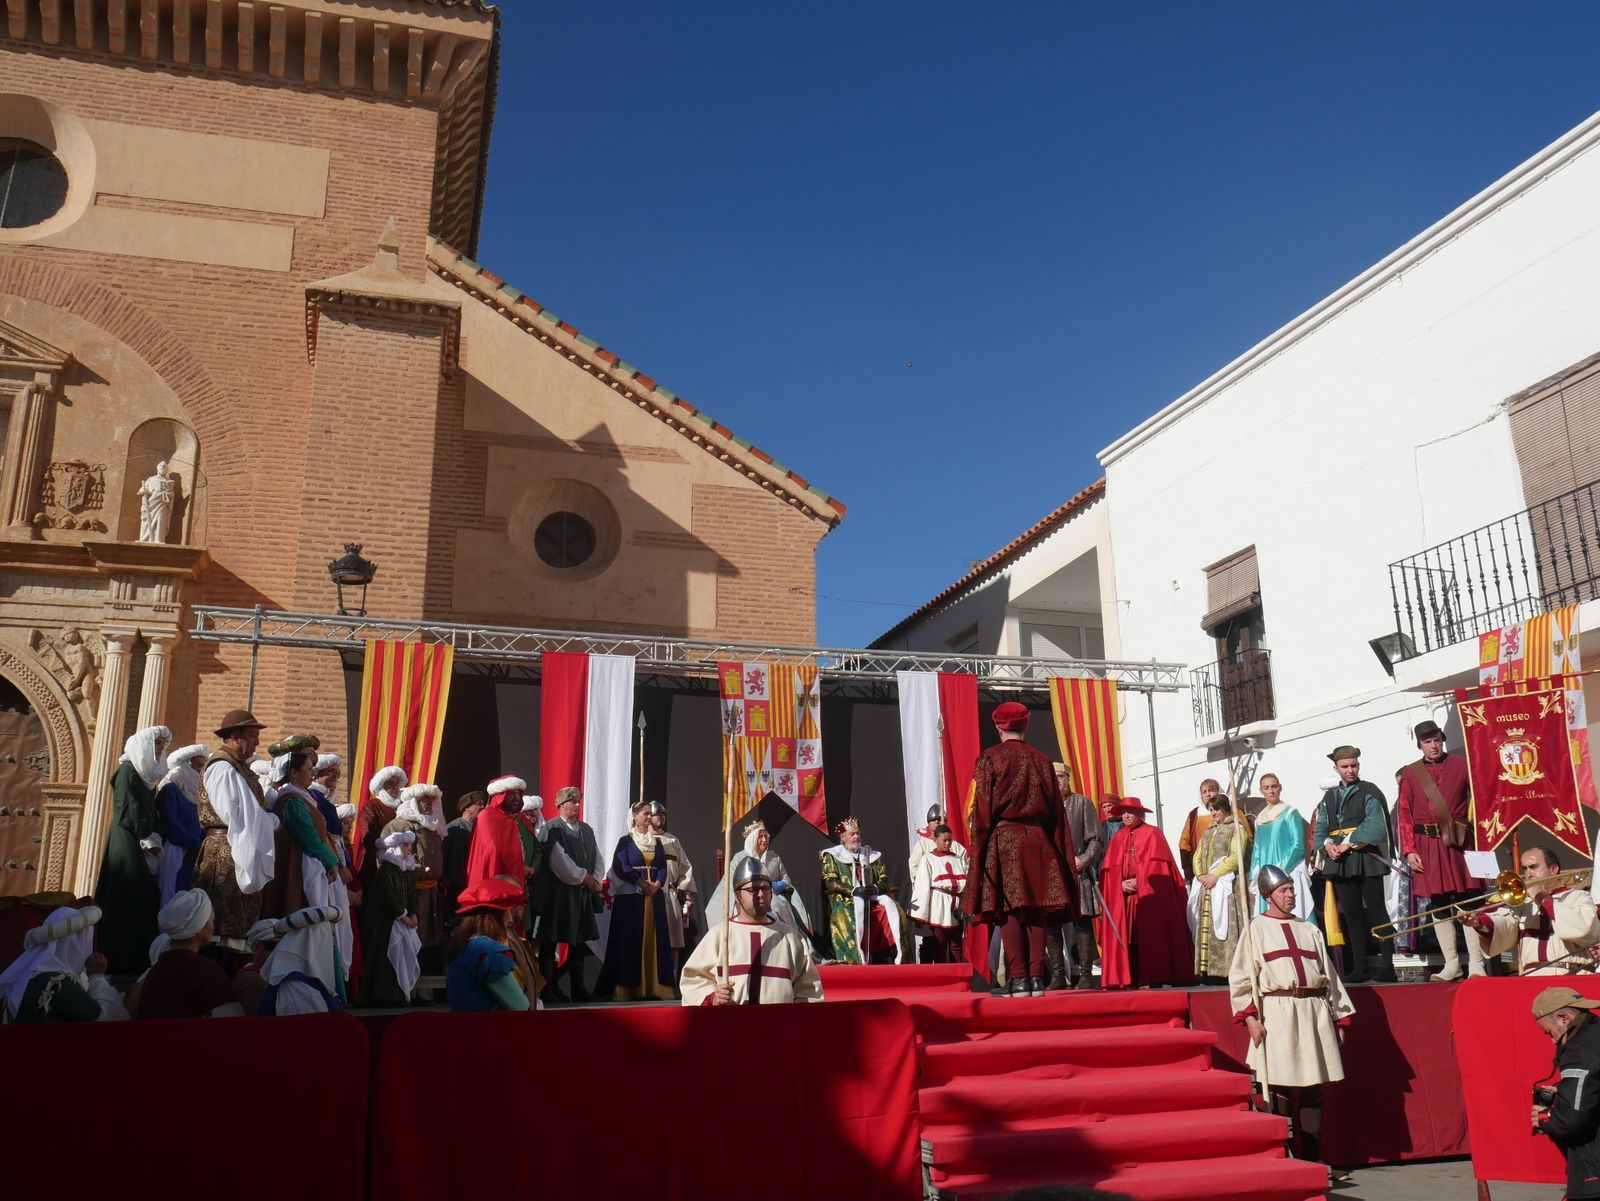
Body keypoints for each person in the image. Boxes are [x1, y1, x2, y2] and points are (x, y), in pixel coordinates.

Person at [1229, 864, 1355, 1168]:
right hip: (1278, 1013)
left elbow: (1329, 976)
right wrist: (1249, 1019)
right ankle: (1285, 1160)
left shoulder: (1309, 928)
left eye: (1291, 889)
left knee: (1313, 1086)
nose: (1291, 895)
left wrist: (1339, 1017)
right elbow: (1242, 978)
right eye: (1284, 890)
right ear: (1267, 896)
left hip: (1313, 1012)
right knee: (1282, 1085)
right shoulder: (1255, 929)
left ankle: (1313, 1160)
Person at [961, 701, 1077, 997]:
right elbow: (1055, 810)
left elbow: (984, 809)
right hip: (1039, 840)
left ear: (998, 727)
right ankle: (1037, 979)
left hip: (1005, 839)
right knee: (1036, 909)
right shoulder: (1042, 760)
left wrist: (980, 845)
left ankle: (1019, 979)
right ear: (1026, 725)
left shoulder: (990, 759)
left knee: (1009, 910)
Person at [1397, 720, 1485, 981]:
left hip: (1459, 843)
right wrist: (1409, 849)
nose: (1433, 745)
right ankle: (1452, 965)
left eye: (1436, 739)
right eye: (1427, 741)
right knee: (1438, 903)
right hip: (1427, 845)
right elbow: (1404, 812)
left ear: (1442, 740)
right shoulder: (1411, 774)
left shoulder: (1462, 765)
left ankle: (1477, 965)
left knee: (1468, 900)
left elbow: (1481, 802)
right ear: (1420, 745)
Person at [680, 856, 824, 1005]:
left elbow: (809, 990)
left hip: (778, 1026)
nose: (761, 894)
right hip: (733, 1025)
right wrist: (713, 997)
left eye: (765, 888)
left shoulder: (789, 937)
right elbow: (693, 981)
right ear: (737, 896)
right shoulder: (720, 935)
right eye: (753, 889)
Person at [195, 709, 278, 956]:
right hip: (225, 853)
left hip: (235, 848)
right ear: (234, 736)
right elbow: (238, 814)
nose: (257, 742)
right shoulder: (223, 768)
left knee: (237, 925)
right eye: (252, 735)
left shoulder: (238, 767)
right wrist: (271, 821)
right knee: (220, 927)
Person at [269, 748, 350, 999]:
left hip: (309, 869)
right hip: (298, 872)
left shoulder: (302, 797)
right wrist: (331, 861)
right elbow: (307, 834)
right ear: (293, 773)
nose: (311, 773)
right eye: (307, 768)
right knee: (305, 922)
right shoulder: (291, 800)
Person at [1311, 745, 1394, 983]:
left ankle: (1387, 966)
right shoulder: (1329, 796)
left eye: (1354, 765)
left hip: (1364, 856)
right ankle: (1359, 967)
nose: (1350, 770)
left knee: (1378, 911)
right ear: (1335, 768)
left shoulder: (1369, 790)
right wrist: (1327, 846)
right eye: (1345, 766)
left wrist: (1347, 844)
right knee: (1351, 914)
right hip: (1339, 860)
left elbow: (1375, 824)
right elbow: (1321, 826)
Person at [96, 724, 171, 975]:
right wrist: (147, 836)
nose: (160, 749)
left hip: (141, 840)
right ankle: (117, 959)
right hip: (127, 841)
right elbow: (128, 812)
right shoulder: (127, 771)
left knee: (140, 898)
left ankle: (134, 957)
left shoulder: (146, 777)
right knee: (125, 896)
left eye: (163, 744)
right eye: (157, 744)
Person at [1098, 798, 1193, 989]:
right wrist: (1120, 884)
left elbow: (1160, 871)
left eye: (1130, 811)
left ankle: (1153, 975)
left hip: (1149, 896)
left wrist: (1141, 881)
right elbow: (1109, 871)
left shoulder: (1153, 834)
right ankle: (1129, 976)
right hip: (1125, 897)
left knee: (1150, 933)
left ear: (1140, 814)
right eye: (1123, 812)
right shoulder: (1117, 838)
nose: (1125, 815)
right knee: (1128, 935)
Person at [1462, 847, 1599, 975]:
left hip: (1572, 974)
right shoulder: (1524, 903)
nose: (1528, 874)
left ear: (1553, 869)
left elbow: (1584, 928)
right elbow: (1503, 921)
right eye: (1525, 869)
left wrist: (1542, 899)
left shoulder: (1577, 896)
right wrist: (1478, 922)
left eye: (1534, 867)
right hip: (1532, 977)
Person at [531, 786, 604, 1003]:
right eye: (572, 802)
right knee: (550, 940)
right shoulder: (552, 829)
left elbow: (597, 857)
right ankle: (547, 989)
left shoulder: (586, 829)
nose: (577, 805)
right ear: (561, 805)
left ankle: (578, 989)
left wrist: (595, 879)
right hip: (559, 896)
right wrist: (583, 877)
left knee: (578, 942)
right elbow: (559, 861)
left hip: (582, 894)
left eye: (578, 802)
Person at [600, 800, 676, 1000]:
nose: (649, 817)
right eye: (645, 814)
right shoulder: (626, 841)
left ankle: (655, 986)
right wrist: (642, 884)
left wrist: (657, 885)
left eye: (651, 814)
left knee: (655, 939)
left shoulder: (656, 841)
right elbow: (621, 866)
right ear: (634, 816)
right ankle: (630, 987)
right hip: (632, 899)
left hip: (654, 897)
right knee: (630, 940)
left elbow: (662, 867)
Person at [1530, 985, 1600, 1201]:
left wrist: (1545, 1119)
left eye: (1549, 1032)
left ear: (1563, 1018)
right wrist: (1564, 1090)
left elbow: (1571, 1121)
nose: (1551, 1040)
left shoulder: (1580, 1048)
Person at [0, 905, 126, 1022]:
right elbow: (107, 1020)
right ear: (77, 944)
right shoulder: (57, 982)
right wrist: (97, 977)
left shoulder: (26, 976)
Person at [135, 890, 242, 1018]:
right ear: (199, 928)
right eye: (211, 920)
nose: (213, 926)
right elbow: (229, 1021)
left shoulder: (155, 970)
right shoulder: (206, 971)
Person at [822, 817, 911, 965]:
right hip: (847, 900)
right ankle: (854, 960)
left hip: (872, 898)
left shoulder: (872, 855)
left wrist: (875, 888)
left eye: (858, 833)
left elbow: (883, 879)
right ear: (843, 837)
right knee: (846, 915)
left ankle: (892, 956)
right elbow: (830, 882)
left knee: (892, 908)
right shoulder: (832, 856)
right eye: (852, 834)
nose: (856, 837)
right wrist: (854, 890)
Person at [707, 819, 813, 938]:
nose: (764, 839)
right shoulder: (739, 858)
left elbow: (786, 879)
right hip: (748, 896)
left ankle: (790, 939)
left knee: (778, 904)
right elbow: (731, 882)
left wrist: (778, 886)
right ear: (752, 839)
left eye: (766, 836)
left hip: (773, 896)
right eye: (760, 836)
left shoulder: (774, 858)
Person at [446, 877, 535, 1012]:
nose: (510, 919)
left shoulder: (462, 946)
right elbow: (520, 1006)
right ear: (496, 915)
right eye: (507, 911)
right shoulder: (486, 950)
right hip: (489, 1031)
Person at [1189, 793, 1251, 982]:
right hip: (1207, 885)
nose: (1213, 813)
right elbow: (1198, 855)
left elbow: (1235, 856)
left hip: (1226, 884)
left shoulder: (1236, 829)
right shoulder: (1209, 830)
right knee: (1207, 924)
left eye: (1216, 809)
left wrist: (1215, 875)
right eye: (1211, 809)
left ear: (1224, 808)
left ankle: (1226, 969)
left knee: (1224, 923)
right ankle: (1207, 970)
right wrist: (1200, 875)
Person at [1056, 761, 1105, 989]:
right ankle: (1057, 976)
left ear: (1068, 779)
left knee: (1082, 923)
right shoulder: (1044, 806)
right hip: (1053, 874)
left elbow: (1096, 838)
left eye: (1061, 777)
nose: (1058, 782)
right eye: (1053, 777)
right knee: (1051, 924)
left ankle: (1085, 975)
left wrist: (1083, 860)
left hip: (1078, 871)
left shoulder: (1082, 803)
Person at [359, 821, 419, 1005]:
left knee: (401, 957)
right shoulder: (386, 870)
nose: (408, 850)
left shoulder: (405, 871)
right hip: (385, 923)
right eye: (405, 846)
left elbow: (410, 893)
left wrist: (414, 913)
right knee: (384, 958)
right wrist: (402, 915)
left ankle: (400, 993)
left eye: (409, 846)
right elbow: (387, 896)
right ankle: (383, 995)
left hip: (402, 920)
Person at [260, 905, 345, 1015]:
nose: (332, 945)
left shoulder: (304, 982)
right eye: (329, 936)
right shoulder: (298, 988)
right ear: (314, 941)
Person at [1248, 773, 1311, 918]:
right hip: (1266, 876)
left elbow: (1298, 845)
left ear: (1280, 788)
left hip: (1288, 871)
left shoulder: (1289, 813)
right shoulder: (1259, 820)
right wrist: (1255, 876)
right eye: (1267, 787)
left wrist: (1278, 871)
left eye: (1274, 786)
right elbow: (1257, 850)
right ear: (1261, 790)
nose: (1271, 791)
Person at [395, 783, 447, 959]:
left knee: (431, 941)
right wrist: (419, 871)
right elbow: (394, 861)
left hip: (432, 892)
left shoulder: (432, 827)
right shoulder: (401, 825)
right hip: (413, 894)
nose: (428, 804)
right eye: (423, 799)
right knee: (414, 941)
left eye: (431, 800)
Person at [154, 742, 208, 907]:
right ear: (185, 765)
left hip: (193, 855)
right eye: (197, 766)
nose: (199, 771)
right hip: (175, 852)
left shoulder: (197, 795)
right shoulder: (169, 790)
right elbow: (172, 825)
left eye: (202, 767)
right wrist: (194, 843)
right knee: (170, 896)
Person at [465, 776, 540, 891]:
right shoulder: (487, 817)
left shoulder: (521, 818)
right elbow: (492, 853)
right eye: (510, 795)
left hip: (524, 882)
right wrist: (520, 868)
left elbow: (536, 848)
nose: (516, 798)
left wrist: (532, 868)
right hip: (498, 885)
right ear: (499, 797)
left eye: (517, 793)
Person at [648, 801, 699, 966]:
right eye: (657, 814)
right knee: (650, 940)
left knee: (672, 941)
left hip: (670, 896)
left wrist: (688, 895)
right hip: (648, 895)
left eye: (663, 814)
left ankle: (670, 981)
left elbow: (685, 869)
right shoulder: (641, 839)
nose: (661, 818)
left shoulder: (672, 841)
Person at [910, 825, 968, 964]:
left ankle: (957, 977)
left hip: (956, 904)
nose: (947, 843)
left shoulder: (958, 859)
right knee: (939, 944)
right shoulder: (928, 859)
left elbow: (967, 881)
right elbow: (922, 887)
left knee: (956, 945)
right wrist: (921, 914)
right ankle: (942, 980)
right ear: (935, 839)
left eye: (949, 840)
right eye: (944, 840)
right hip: (939, 904)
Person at [441, 790, 486, 924]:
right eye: (478, 804)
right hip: (457, 888)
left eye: (483, 803)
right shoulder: (453, 829)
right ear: (467, 808)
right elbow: (448, 859)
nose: (482, 807)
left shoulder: (481, 828)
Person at [232, 918, 280, 1016]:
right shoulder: (253, 979)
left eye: (280, 946)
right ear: (256, 947)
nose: (275, 952)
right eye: (270, 946)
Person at [1177, 779, 1221, 884]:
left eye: (1211, 790)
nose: (1208, 794)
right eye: (1204, 792)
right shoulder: (1195, 815)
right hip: (1202, 867)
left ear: (1218, 791)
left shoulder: (1230, 809)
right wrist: (1188, 870)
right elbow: (1184, 843)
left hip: (1225, 866)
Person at [908, 803, 944, 886]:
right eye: (933, 819)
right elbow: (914, 867)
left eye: (939, 819)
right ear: (929, 823)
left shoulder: (955, 846)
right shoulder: (922, 845)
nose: (937, 821)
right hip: (930, 889)